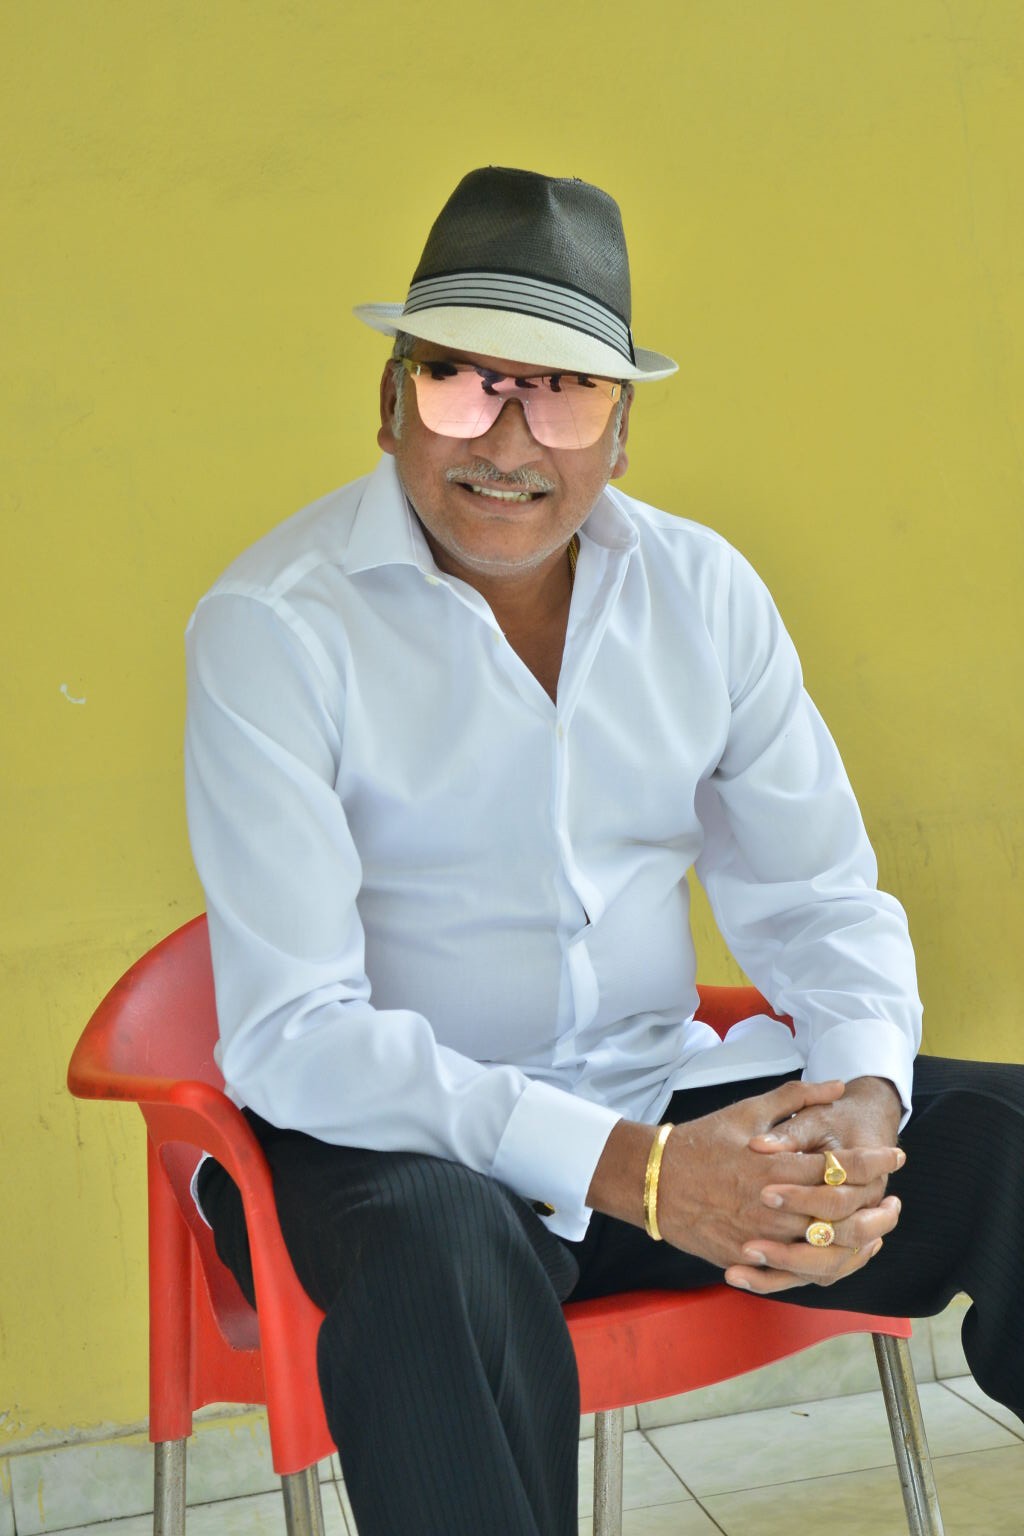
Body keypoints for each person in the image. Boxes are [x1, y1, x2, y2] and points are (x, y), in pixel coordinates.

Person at [184, 166, 1023, 1536]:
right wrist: (638, 1172)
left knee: (1012, 1139)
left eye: (566, 394)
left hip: (658, 1100)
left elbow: (818, 898)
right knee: (438, 1258)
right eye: (464, 385)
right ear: (390, 402)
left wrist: (863, 1099)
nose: (509, 440)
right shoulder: (273, 628)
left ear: (622, 433)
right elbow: (296, 1037)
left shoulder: (704, 593)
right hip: (401, 1147)